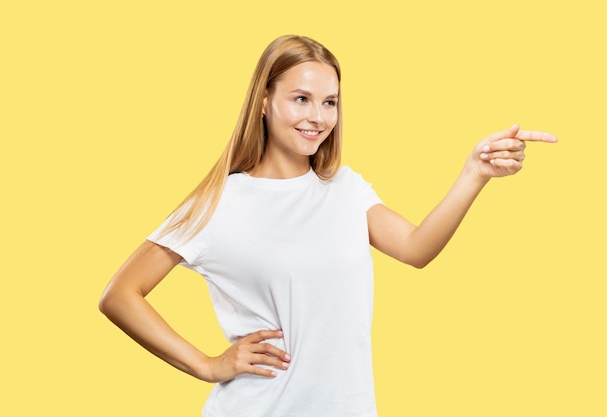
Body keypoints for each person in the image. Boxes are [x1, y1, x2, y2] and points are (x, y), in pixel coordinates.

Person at [99, 34, 557, 417]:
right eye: (301, 99)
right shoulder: (220, 202)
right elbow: (119, 296)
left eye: (329, 102)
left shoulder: (343, 187)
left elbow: (417, 249)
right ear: (264, 101)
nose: (317, 117)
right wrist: (207, 365)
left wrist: (474, 174)